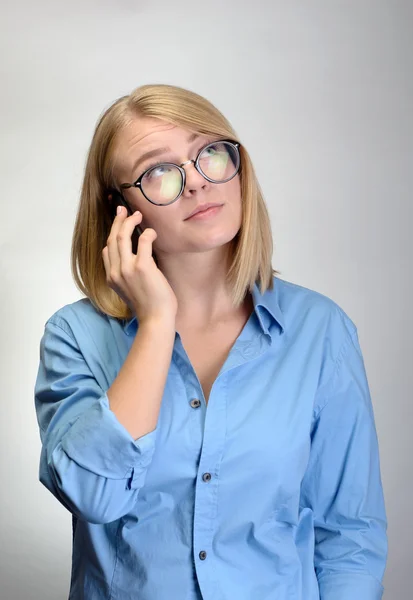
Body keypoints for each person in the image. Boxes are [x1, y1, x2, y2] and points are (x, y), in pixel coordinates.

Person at [34, 83, 388, 600]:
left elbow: (350, 536)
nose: (198, 183)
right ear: (120, 209)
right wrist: (156, 324)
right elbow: (94, 495)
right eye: (160, 171)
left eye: (209, 154)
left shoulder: (321, 331)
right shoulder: (75, 337)